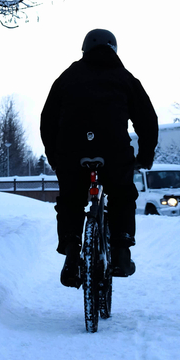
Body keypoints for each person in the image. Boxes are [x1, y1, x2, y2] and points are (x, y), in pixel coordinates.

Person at [40, 29, 158, 287]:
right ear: (113, 50)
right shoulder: (125, 79)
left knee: (71, 201)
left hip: (72, 152)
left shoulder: (67, 78)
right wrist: (145, 156)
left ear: (85, 50)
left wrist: (55, 157)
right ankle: (121, 254)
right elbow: (148, 121)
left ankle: (72, 254)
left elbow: (47, 120)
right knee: (122, 196)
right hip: (114, 152)